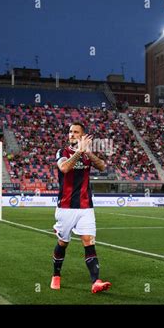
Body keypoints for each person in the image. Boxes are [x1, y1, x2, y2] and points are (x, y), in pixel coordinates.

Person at [50, 122, 112, 294]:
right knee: (63, 242)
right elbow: (64, 168)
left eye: (76, 132)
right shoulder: (62, 152)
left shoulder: (87, 155)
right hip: (66, 207)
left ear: (83, 136)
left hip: (86, 207)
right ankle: (56, 274)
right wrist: (79, 152)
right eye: (70, 131)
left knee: (88, 241)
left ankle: (95, 281)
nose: (71, 134)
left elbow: (102, 166)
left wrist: (88, 152)